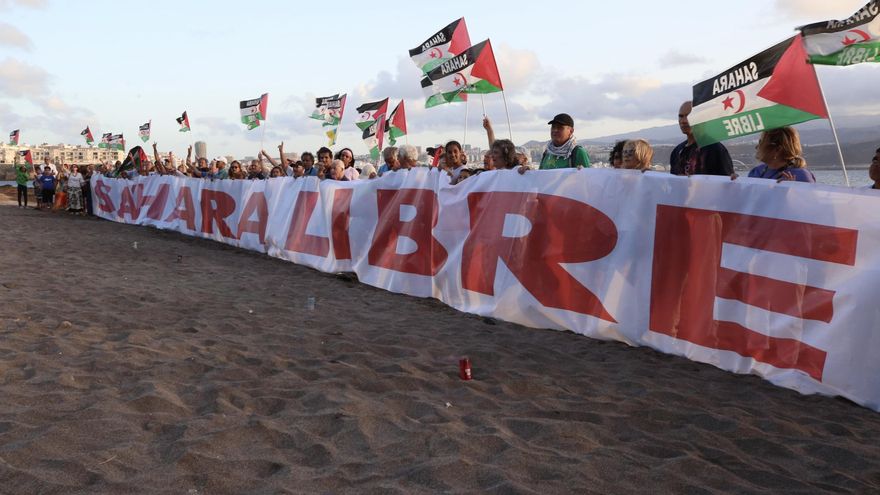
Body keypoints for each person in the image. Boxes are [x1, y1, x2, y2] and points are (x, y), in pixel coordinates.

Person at [670, 101, 734, 176]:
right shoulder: (677, 151)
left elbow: (727, 182)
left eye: (689, 116)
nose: (683, 121)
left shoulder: (715, 149)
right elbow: (672, 183)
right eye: (681, 116)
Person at [743, 127, 815, 183]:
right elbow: (746, 199)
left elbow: (810, 201)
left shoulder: (800, 176)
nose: (757, 147)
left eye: (761, 142)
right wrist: (734, 184)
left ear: (777, 150)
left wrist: (793, 190)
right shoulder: (756, 172)